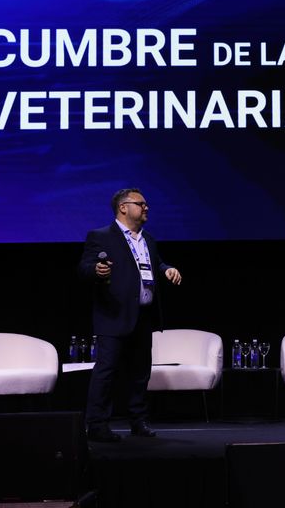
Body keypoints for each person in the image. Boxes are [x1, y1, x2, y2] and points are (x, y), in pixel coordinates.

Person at [78, 188, 182, 442]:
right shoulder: (101, 236)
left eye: (146, 204)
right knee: (107, 371)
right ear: (123, 207)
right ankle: (98, 425)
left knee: (140, 373)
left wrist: (167, 269)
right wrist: (97, 270)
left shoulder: (149, 239)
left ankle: (138, 421)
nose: (146, 208)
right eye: (141, 204)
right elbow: (85, 268)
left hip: (143, 315)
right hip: (114, 314)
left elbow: (154, 264)